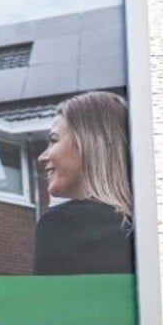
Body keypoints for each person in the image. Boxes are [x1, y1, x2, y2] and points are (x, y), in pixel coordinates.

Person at [34, 91, 137, 275]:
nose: (42, 157)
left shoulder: (61, 224)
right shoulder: (146, 223)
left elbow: (49, 302)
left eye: (53, 140)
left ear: (89, 144)